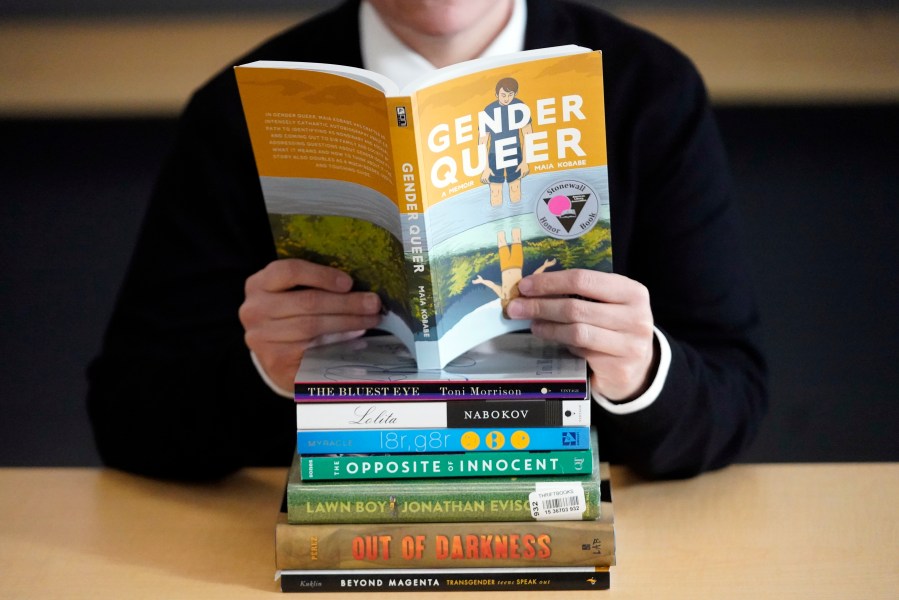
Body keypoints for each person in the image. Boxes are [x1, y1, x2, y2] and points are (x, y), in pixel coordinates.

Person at [87, 0, 767, 481]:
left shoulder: (647, 89)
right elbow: (126, 417)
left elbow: (733, 396)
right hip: (338, 519)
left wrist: (639, 370)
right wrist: (265, 372)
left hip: (562, 511)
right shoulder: (239, 108)